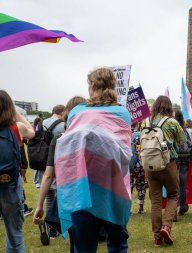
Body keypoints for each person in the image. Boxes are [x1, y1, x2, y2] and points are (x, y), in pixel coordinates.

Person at [54, 68, 132, 252]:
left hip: (82, 191)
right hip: (114, 188)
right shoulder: (123, 113)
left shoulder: (77, 113)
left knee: (84, 248)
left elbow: (70, 147)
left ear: (94, 86)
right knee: (118, 245)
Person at [33, 96, 86, 249]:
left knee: (76, 240)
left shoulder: (59, 139)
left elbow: (48, 175)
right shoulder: (93, 136)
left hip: (68, 197)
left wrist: (40, 205)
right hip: (89, 196)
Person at [140, 95, 186, 246]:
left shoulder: (145, 122)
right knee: (173, 194)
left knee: (155, 202)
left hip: (150, 165)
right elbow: (182, 141)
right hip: (168, 164)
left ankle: (157, 238)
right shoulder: (171, 122)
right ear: (168, 107)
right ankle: (166, 226)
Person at [0, 90, 35, 253]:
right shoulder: (17, 128)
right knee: (15, 236)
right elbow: (32, 131)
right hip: (9, 184)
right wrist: (14, 109)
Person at [33, 104, 65, 238]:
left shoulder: (40, 123)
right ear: (62, 113)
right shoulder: (61, 126)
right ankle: (54, 228)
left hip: (41, 164)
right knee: (59, 196)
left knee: (49, 196)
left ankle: (50, 228)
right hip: (55, 166)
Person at [174, 110, 192, 216]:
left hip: (175, 158)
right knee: (182, 184)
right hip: (185, 158)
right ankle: (182, 205)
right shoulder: (186, 130)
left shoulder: (171, 128)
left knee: (173, 184)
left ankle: (174, 207)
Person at [129, 123, 148, 214]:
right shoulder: (140, 135)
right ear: (138, 123)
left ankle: (128, 208)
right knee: (141, 185)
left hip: (127, 163)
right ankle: (141, 207)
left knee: (129, 186)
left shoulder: (125, 133)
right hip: (139, 164)